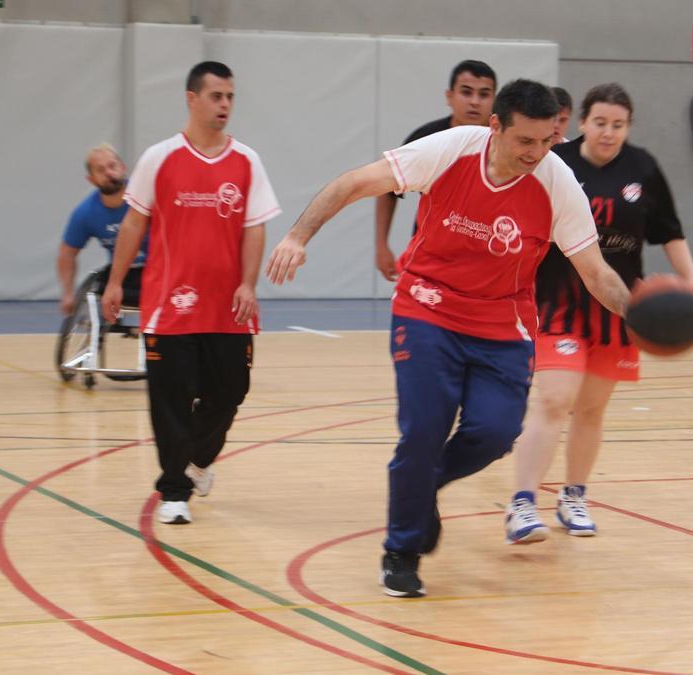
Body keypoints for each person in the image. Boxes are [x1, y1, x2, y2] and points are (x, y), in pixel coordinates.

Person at [266, 79, 632, 598]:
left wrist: (637, 314)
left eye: (546, 141)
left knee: (495, 433)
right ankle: (401, 550)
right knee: (423, 430)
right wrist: (297, 236)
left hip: (502, 324)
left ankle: (424, 484)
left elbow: (595, 272)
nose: (536, 153)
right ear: (495, 127)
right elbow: (353, 182)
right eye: (524, 141)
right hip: (427, 306)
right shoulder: (449, 150)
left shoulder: (557, 182)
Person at [506, 83, 693, 543]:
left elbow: (670, 233)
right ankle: (522, 504)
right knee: (554, 399)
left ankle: (573, 496)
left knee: (591, 409)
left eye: (618, 125)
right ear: (582, 122)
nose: (608, 132)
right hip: (558, 302)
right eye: (600, 122)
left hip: (619, 308)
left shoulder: (644, 169)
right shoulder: (555, 163)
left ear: (629, 127)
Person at [101, 61, 281, 525]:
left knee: (230, 392)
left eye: (230, 97)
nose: (225, 105)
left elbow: (254, 228)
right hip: (170, 305)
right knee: (171, 402)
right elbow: (134, 223)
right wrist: (116, 281)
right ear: (192, 98)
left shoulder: (247, 161)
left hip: (228, 307)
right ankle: (174, 491)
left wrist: (248, 284)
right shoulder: (159, 158)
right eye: (216, 96)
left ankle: (198, 462)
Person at [374, 60, 497, 281]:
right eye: (466, 92)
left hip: (486, 256)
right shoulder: (427, 138)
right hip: (429, 254)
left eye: (484, 94)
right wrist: (381, 244)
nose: (475, 101)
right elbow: (387, 189)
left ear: (494, 100)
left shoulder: (505, 142)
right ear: (450, 96)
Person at [56, 144, 146, 315]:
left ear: (123, 168)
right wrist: (67, 293)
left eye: (112, 166)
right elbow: (67, 253)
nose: (109, 173)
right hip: (123, 276)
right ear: (91, 179)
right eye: (100, 170)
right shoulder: (85, 213)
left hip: (158, 270)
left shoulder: (148, 196)